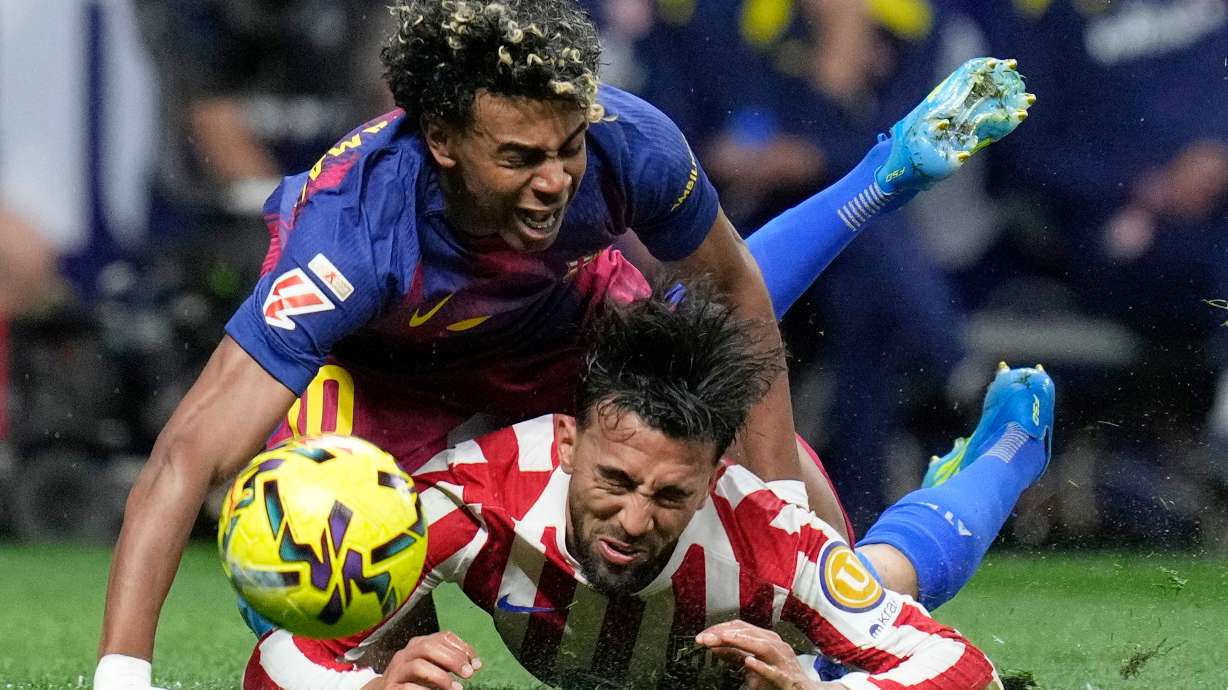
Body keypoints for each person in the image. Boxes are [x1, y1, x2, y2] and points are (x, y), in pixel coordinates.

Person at [94, 0, 1032, 685]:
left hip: (556, 335)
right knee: (344, 599)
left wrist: (772, 517)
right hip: (384, 382)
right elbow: (187, 456)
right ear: (443, 143)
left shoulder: (628, 142)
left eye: (566, 150)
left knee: (812, 538)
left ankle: (980, 446)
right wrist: (123, 676)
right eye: (519, 158)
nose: (553, 182)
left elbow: (731, 298)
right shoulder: (351, 234)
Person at [240, 283, 1054, 690]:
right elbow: (276, 656)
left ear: (710, 480)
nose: (632, 519)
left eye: (668, 496)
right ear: (567, 441)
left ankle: (1010, 452)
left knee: (883, 583)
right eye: (615, 480)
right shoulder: (471, 498)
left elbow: (963, 671)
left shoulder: (768, 536)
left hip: (756, 639)